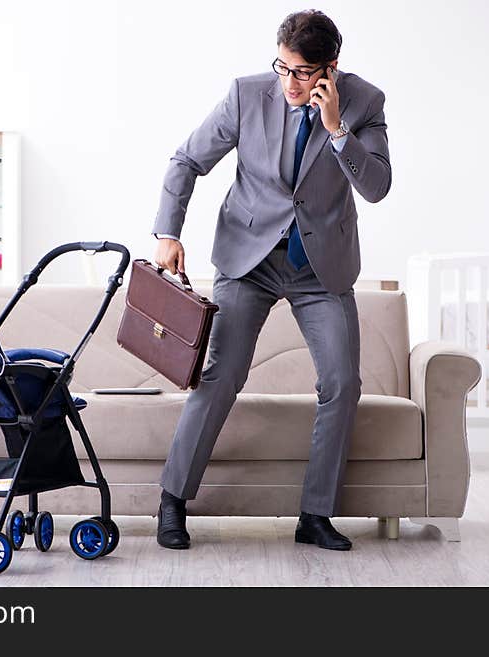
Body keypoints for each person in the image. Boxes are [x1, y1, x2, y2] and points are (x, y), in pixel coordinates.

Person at [151, 9, 391, 551]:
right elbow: (187, 160)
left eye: (302, 73)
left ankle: (315, 514)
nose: (288, 83)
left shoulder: (364, 103)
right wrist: (168, 232)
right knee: (221, 375)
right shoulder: (245, 94)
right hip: (248, 258)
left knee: (342, 384)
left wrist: (336, 130)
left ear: (330, 69)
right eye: (281, 67)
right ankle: (172, 499)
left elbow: (376, 187)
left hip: (319, 267)